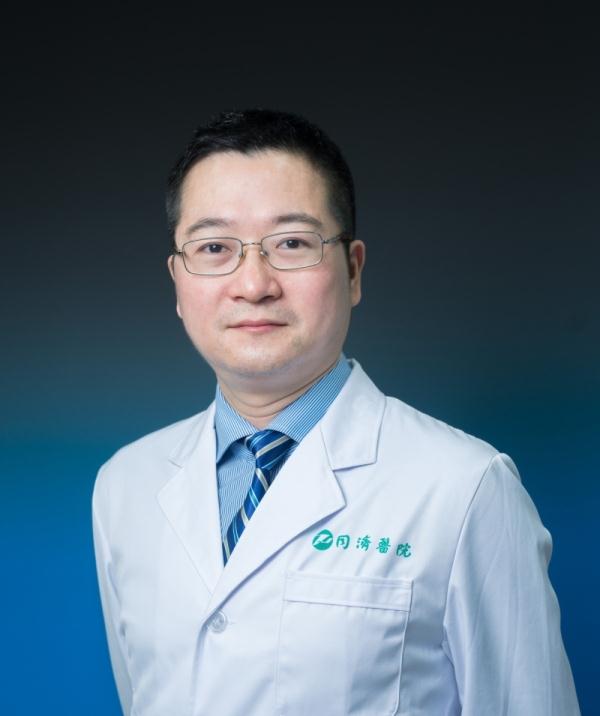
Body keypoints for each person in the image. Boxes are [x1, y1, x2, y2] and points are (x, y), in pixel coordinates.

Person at [92, 109, 580, 716]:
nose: (253, 284)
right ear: (177, 280)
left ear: (352, 270)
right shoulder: (126, 484)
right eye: (214, 248)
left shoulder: (465, 487)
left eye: (292, 244)